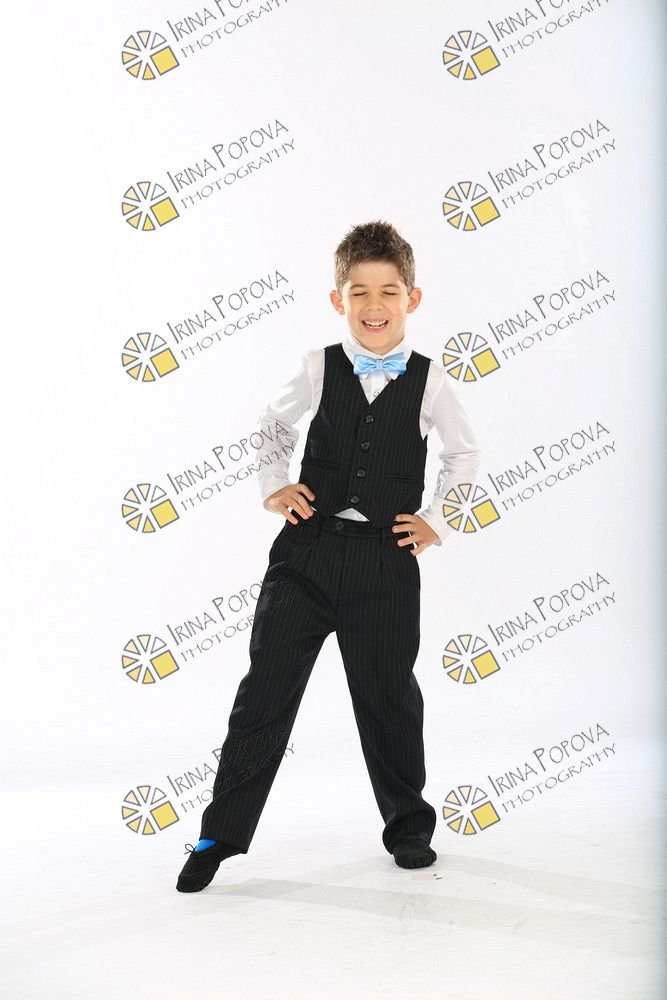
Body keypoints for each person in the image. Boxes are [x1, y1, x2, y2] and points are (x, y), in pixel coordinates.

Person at [176, 219, 481, 892]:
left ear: (412, 298)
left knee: (389, 697)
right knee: (264, 693)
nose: (374, 305)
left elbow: (463, 454)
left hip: (385, 562)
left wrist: (436, 522)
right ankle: (219, 834)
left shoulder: (430, 381)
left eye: (388, 292)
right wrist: (273, 485)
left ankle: (408, 826)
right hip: (305, 556)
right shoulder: (319, 366)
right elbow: (272, 424)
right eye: (359, 292)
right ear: (338, 299)